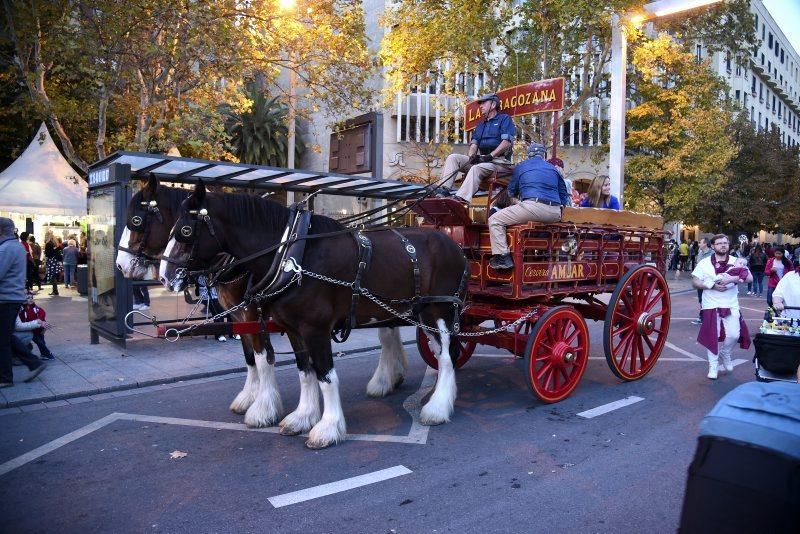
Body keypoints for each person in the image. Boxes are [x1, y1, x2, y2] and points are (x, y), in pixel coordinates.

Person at [487, 142, 564, 270]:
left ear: (529, 155)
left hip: (534, 207)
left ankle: (502, 257)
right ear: (543, 155)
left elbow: (511, 191)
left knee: (494, 220)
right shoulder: (553, 169)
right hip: (555, 212)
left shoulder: (522, 166)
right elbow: (563, 194)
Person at [691, 234, 752, 380]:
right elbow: (695, 282)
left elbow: (749, 278)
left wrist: (732, 278)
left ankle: (725, 353)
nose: (723, 245)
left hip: (731, 304)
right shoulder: (704, 263)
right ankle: (713, 367)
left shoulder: (737, 261)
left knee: (734, 335)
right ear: (713, 246)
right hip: (711, 304)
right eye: (719, 243)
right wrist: (712, 286)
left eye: (725, 243)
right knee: (712, 336)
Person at [438, 93, 516, 204]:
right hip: (482, 160)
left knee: (476, 168)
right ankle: (444, 190)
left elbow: (506, 143)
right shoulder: (481, 125)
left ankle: (461, 199)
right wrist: (472, 156)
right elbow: (474, 144)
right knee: (453, 157)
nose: (481, 106)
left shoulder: (504, 119)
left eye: (484, 103)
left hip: (499, 163)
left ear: (493, 104)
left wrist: (491, 156)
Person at [0, 217, 48, 388]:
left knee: (2, 339)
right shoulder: (17, 247)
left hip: (5, 299)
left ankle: (6, 377)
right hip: (12, 298)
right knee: (4, 336)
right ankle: (33, 363)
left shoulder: (5, 249)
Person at [197, 275, 238, 342]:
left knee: (232, 309)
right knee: (218, 309)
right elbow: (203, 283)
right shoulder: (203, 274)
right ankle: (220, 334)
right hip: (210, 296)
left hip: (222, 296)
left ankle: (233, 332)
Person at [17, 291, 55, 360]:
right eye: (28, 298)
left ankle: (43, 354)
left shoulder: (35, 307)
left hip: (39, 329)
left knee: (42, 341)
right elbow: (24, 319)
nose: (31, 299)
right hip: (31, 329)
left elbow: (42, 312)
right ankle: (47, 353)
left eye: (31, 298)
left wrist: (40, 320)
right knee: (39, 342)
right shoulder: (22, 309)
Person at [691, 238, 714, 325]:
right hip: (700, 280)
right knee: (701, 299)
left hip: (708, 280)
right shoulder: (700, 253)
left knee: (709, 298)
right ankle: (703, 317)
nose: (699, 244)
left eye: (700, 242)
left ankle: (706, 317)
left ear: (705, 244)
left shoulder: (712, 253)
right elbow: (698, 265)